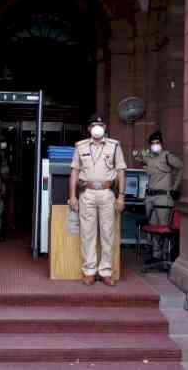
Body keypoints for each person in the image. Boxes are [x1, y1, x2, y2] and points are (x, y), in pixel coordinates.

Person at [69, 114, 127, 287]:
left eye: (100, 124)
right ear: (89, 128)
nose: (97, 127)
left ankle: (106, 272)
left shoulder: (114, 146)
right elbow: (74, 172)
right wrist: (72, 196)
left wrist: (121, 196)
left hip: (107, 193)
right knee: (87, 234)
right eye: (94, 124)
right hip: (87, 193)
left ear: (105, 127)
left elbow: (121, 172)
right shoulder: (80, 146)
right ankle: (89, 272)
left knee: (108, 233)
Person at [133, 130, 183, 264]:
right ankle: (157, 255)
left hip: (163, 197)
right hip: (150, 197)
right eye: (152, 143)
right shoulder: (149, 157)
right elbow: (137, 156)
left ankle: (168, 255)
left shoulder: (167, 156)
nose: (155, 145)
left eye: (157, 143)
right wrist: (138, 153)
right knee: (153, 227)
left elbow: (181, 167)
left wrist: (175, 187)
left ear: (161, 143)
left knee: (165, 227)